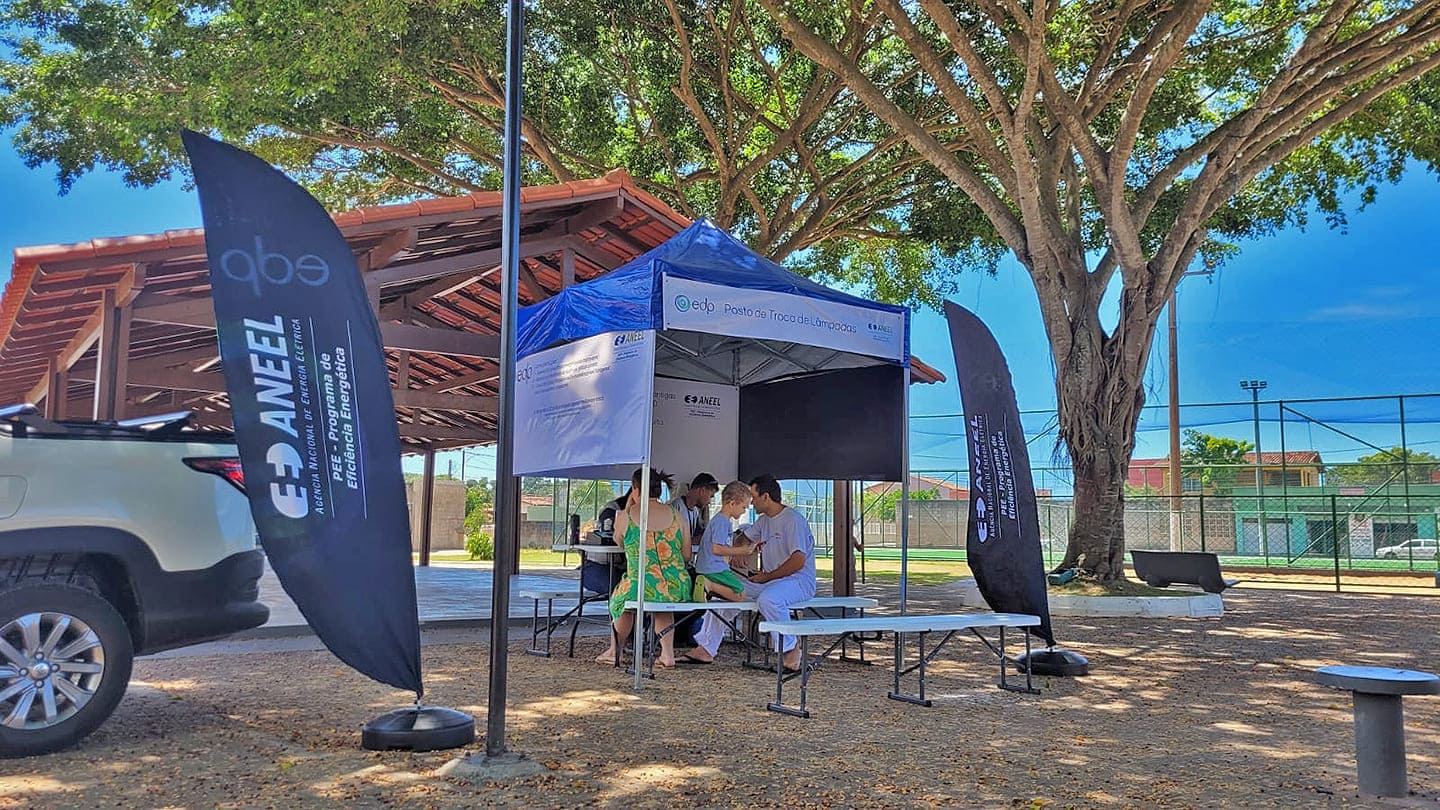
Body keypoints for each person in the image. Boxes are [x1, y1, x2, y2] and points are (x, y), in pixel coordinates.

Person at [684, 475, 816, 671]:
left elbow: (799, 560)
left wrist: (767, 576)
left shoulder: (793, 520)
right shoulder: (763, 521)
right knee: (725, 594)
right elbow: (744, 538)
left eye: (753, 497)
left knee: (769, 600)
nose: (751, 503)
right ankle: (706, 648)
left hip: (798, 581)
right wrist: (739, 551)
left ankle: (791, 648)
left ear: (766, 497)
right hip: (770, 581)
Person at [596, 468, 693, 668]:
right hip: (677, 585)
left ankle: (615, 651)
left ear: (635, 488)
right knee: (662, 604)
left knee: (621, 601)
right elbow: (686, 555)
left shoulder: (626, 516)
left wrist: (630, 505)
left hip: (640, 583)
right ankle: (667, 654)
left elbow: (619, 541)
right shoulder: (677, 516)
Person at [690, 480, 759, 602]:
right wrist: (741, 551)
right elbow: (716, 549)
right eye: (743, 507)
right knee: (740, 594)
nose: (744, 511)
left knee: (737, 593)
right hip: (713, 568)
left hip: (712, 567)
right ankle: (709, 585)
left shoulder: (721, 520)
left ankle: (708, 588)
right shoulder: (722, 522)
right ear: (732, 503)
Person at [580, 483, 632, 596]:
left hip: (625, 569)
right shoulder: (611, 511)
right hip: (599, 568)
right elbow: (611, 537)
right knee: (621, 586)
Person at [671, 472, 719, 553]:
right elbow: (672, 540)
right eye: (710, 496)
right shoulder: (677, 506)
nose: (709, 501)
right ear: (702, 490)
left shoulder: (695, 511)